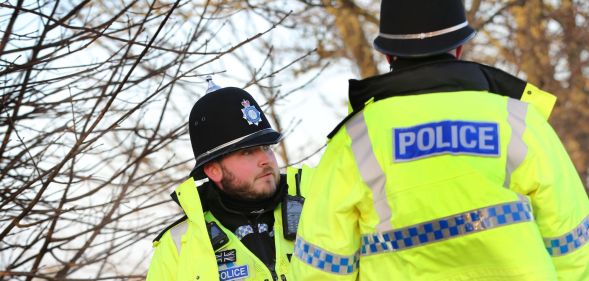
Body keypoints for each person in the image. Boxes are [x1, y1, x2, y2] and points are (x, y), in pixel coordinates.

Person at [290, 0, 589, 280]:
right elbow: (573, 242)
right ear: (459, 47)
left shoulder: (355, 138)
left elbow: (322, 265)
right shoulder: (518, 120)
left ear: (387, 55)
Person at [146, 79, 311, 281]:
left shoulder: (317, 207)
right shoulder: (177, 245)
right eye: (248, 152)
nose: (265, 160)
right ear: (214, 170)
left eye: (267, 147)